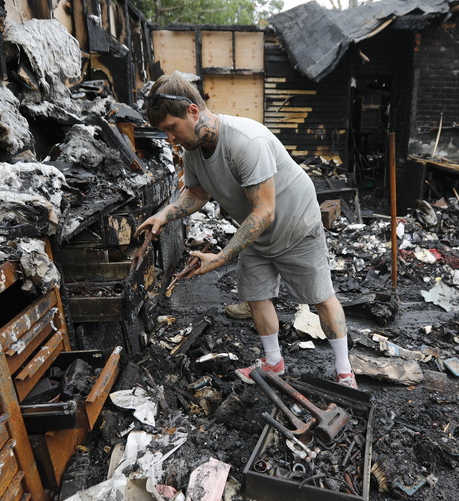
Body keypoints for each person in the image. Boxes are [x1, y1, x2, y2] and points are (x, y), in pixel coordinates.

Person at [135, 73, 357, 389]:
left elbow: (265, 211)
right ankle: (273, 363)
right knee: (255, 294)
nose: (171, 138)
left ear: (194, 112)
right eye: (164, 131)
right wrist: (164, 215)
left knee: (321, 297)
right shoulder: (192, 150)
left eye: (172, 127)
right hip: (257, 229)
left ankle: (344, 371)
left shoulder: (246, 141)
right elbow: (197, 194)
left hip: (295, 223)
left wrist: (222, 256)